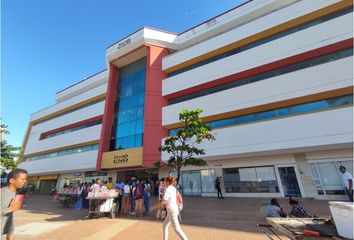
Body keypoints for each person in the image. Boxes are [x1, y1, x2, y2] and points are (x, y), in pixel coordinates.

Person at [1, 168, 28, 240]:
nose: (25, 181)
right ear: (12, 180)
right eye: (23, 179)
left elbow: (10, 214)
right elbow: (9, 210)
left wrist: (10, 232)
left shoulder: (16, 193)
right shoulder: (1, 193)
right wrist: (10, 209)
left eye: (25, 179)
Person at [162, 176, 189, 240]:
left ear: (168, 182)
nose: (164, 183)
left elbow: (164, 201)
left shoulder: (168, 189)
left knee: (177, 230)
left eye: (165, 181)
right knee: (165, 226)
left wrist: (154, 206)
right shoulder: (173, 188)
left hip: (172, 211)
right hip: (172, 210)